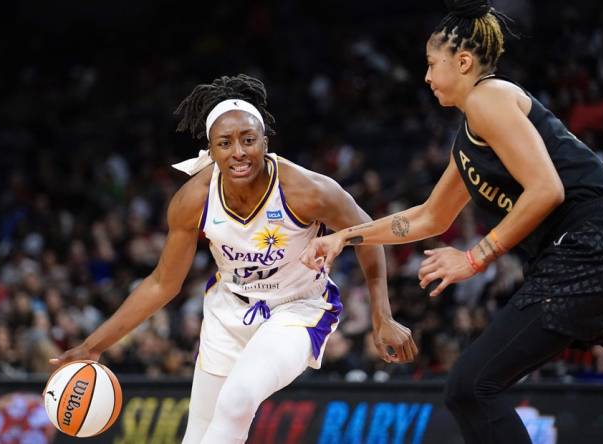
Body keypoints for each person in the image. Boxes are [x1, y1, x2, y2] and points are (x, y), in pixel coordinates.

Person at [300, 1, 603, 442]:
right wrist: (344, 236)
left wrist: (475, 257)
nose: (425, 76)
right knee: (472, 387)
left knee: (472, 387)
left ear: (462, 62)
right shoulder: (470, 136)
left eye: (431, 64)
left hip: (593, 246)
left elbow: (547, 190)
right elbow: (429, 217)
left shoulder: (489, 96)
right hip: (584, 253)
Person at [50, 74, 417, 443]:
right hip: (227, 313)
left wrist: (381, 315)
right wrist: (93, 345)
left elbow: (369, 235)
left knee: (237, 401)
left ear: (265, 142)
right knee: (200, 436)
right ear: (211, 151)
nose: (238, 152)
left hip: (298, 309)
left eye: (248, 140)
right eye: (225, 143)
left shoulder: (308, 189)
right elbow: (163, 283)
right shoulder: (192, 199)